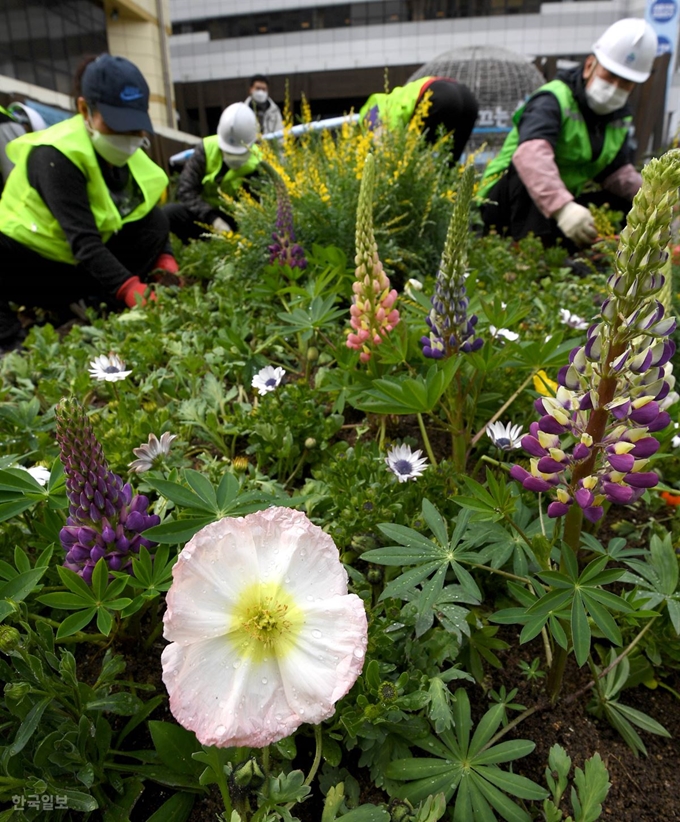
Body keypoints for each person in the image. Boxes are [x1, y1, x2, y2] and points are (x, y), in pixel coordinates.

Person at [0, 54, 178, 348]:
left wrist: (165, 261)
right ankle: (10, 345)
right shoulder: (56, 156)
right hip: (35, 268)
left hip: (80, 271)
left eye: (135, 127)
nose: (129, 138)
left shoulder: (125, 155)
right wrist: (131, 289)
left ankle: (97, 303)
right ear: (85, 109)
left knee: (157, 222)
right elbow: (84, 242)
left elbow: (147, 214)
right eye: (117, 126)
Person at [479, 18, 658, 249]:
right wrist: (563, 208)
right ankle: (533, 256)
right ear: (589, 66)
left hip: (555, 207)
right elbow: (530, 156)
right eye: (609, 75)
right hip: (501, 203)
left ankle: (607, 255)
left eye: (625, 82)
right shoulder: (553, 99)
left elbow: (616, 173)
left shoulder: (618, 119)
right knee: (528, 171)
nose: (615, 87)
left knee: (629, 204)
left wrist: (657, 198)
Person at [165, 103, 261, 244]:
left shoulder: (259, 162)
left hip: (237, 221)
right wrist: (213, 219)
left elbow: (256, 206)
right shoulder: (206, 149)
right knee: (170, 213)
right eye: (229, 152)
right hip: (205, 216)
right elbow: (186, 189)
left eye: (239, 154)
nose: (233, 158)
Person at [359, 76, 479, 163]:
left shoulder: (369, 112)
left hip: (438, 94)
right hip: (467, 97)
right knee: (449, 168)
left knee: (413, 163)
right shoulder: (393, 97)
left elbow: (384, 144)